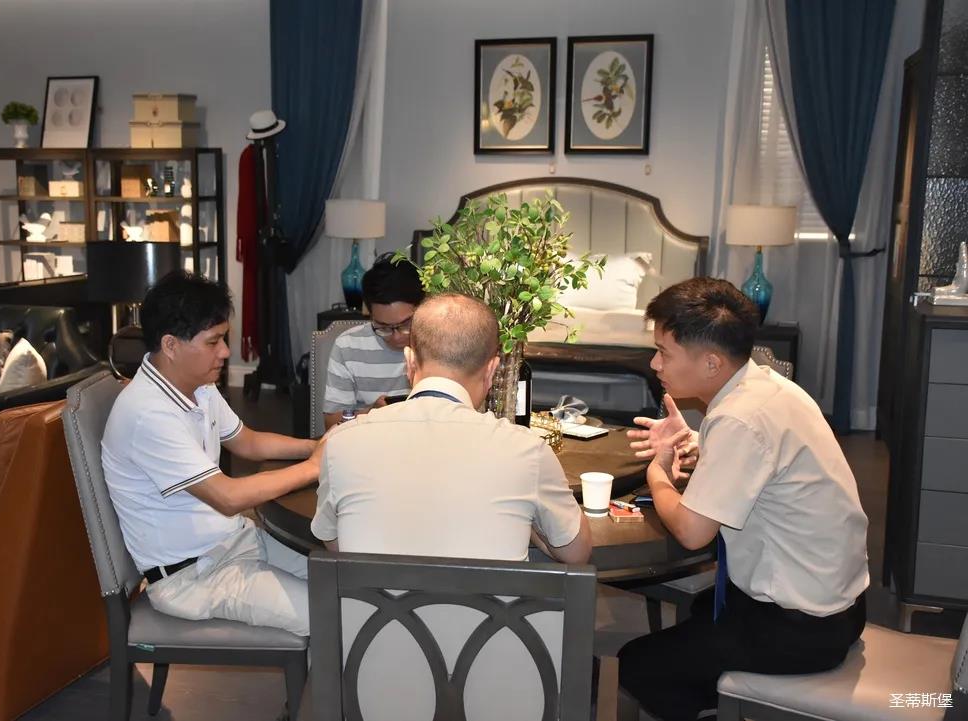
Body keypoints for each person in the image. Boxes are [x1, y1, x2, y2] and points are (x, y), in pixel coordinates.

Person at [617, 278, 869, 721]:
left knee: (638, 665)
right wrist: (696, 441)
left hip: (801, 627)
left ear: (711, 362)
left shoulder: (739, 418)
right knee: (700, 613)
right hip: (840, 605)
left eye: (664, 353)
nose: (654, 363)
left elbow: (693, 532)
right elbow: (766, 461)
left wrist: (658, 476)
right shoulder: (768, 387)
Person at [102, 271, 322, 636]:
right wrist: (314, 467)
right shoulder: (148, 413)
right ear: (171, 345)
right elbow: (228, 497)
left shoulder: (197, 385)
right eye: (213, 341)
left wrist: (314, 446)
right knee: (330, 615)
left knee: (347, 585)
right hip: (192, 577)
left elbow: (248, 442)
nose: (225, 352)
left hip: (232, 544)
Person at [311, 292, 592, 564]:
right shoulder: (527, 450)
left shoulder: (343, 442)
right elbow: (576, 554)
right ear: (492, 370)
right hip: (490, 600)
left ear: (409, 362)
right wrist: (530, 523)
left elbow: (335, 545)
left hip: (372, 599)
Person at [322, 252, 426, 429]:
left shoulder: (439, 342)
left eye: (406, 324)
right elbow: (331, 423)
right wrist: (370, 413)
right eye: (383, 327)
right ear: (369, 314)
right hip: (369, 438)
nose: (397, 336)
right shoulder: (348, 346)